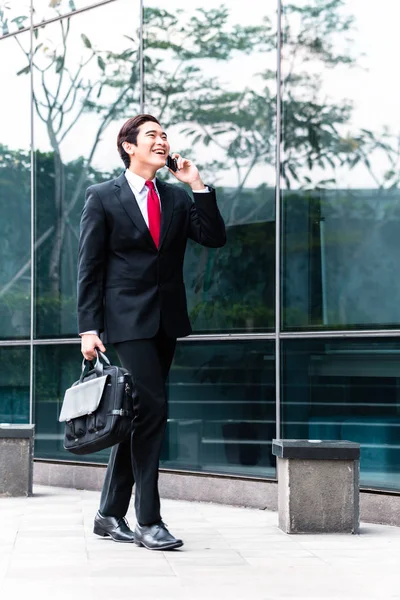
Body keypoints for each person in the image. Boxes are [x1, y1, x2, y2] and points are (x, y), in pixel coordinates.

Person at [77, 114, 226, 550]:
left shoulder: (176, 198)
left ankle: (107, 514)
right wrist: (88, 327)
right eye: (152, 136)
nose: (161, 141)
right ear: (129, 146)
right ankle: (148, 519)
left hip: (166, 320)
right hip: (124, 321)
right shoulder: (103, 196)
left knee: (139, 413)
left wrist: (197, 185)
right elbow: (90, 267)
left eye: (164, 135)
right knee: (154, 410)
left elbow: (213, 238)